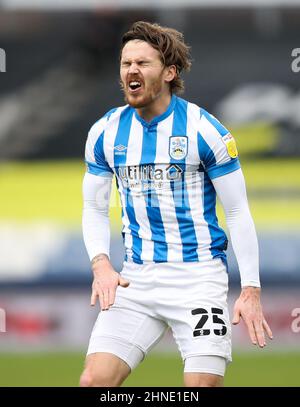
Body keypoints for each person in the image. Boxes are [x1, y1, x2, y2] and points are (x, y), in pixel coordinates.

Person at [80, 21, 273, 388]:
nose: (131, 71)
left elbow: (237, 212)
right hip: (135, 280)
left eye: (143, 63)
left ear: (169, 72)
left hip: (199, 280)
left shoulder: (206, 130)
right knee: (93, 382)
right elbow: (94, 207)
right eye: (125, 64)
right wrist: (101, 263)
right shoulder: (105, 132)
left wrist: (251, 289)